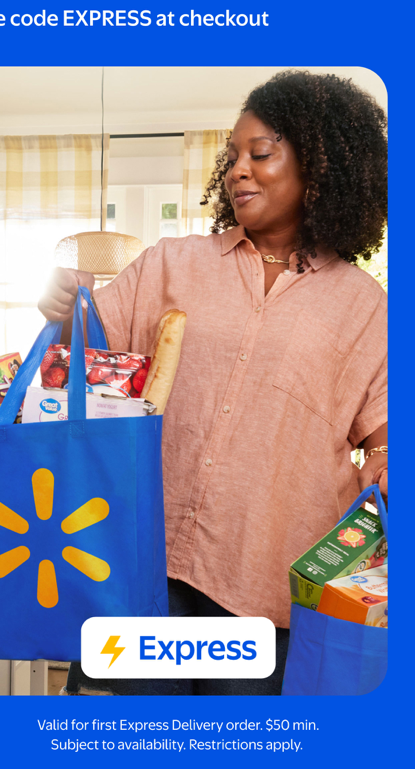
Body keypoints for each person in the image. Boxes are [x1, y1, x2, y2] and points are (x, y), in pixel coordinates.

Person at [39, 70, 388, 696]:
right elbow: (80, 366)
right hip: (138, 571)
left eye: (261, 153)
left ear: (322, 166)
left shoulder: (366, 307)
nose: (239, 170)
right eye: (232, 157)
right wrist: (60, 307)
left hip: (267, 588)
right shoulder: (171, 262)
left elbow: (385, 441)